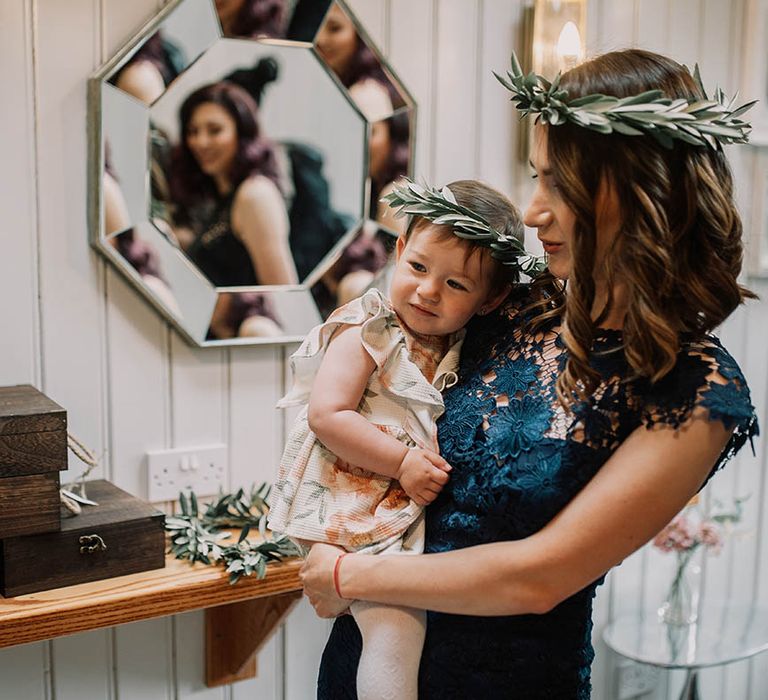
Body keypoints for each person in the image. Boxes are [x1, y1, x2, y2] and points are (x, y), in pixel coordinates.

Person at [300, 49, 759, 698]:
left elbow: (539, 578)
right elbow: (373, 355)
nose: (532, 211)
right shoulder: (508, 305)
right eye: (535, 177)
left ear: (639, 193)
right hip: (363, 665)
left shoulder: (697, 391)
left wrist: (347, 578)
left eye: (558, 184)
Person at [268, 180, 528, 700]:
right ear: (400, 250)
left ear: (491, 299)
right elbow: (327, 413)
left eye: (456, 285)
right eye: (418, 268)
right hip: (350, 488)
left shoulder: (458, 342)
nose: (429, 291)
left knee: (394, 623)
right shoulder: (370, 327)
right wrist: (403, 462)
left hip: (386, 501)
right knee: (394, 625)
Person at [169, 81, 298, 287]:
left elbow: (282, 291)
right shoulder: (224, 197)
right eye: (193, 131)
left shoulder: (255, 194)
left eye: (215, 130)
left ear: (242, 133)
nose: (201, 142)